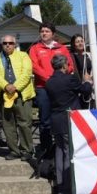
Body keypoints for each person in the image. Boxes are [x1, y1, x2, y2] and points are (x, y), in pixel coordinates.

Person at [45, 54, 92, 194]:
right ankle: (66, 188)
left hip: (56, 120)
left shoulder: (49, 82)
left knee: (60, 152)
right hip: (67, 120)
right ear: (64, 65)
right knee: (67, 152)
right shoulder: (69, 79)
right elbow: (85, 90)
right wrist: (88, 82)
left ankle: (59, 185)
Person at [28, 22, 74, 153]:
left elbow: (70, 66)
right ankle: (46, 150)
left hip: (61, 88)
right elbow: (34, 67)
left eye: (47, 31)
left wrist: (58, 79)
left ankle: (64, 147)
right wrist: (49, 79)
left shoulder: (62, 48)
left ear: (53, 34)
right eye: (42, 31)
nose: (44, 33)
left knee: (63, 117)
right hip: (43, 88)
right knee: (45, 120)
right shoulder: (35, 48)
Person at [0, 35, 35, 161]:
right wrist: (5, 86)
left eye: (10, 43)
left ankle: (27, 150)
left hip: (22, 95)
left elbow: (27, 73)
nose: (8, 45)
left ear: (15, 44)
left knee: (25, 124)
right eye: (5, 43)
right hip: (4, 95)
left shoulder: (23, 56)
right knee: (8, 125)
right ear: (2, 44)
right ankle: (14, 151)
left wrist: (15, 87)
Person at [69, 33, 94, 109]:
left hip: (91, 85)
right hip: (78, 87)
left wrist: (91, 78)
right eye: (77, 42)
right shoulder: (71, 56)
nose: (80, 43)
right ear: (73, 44)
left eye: (81, 41)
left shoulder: (89, 55)